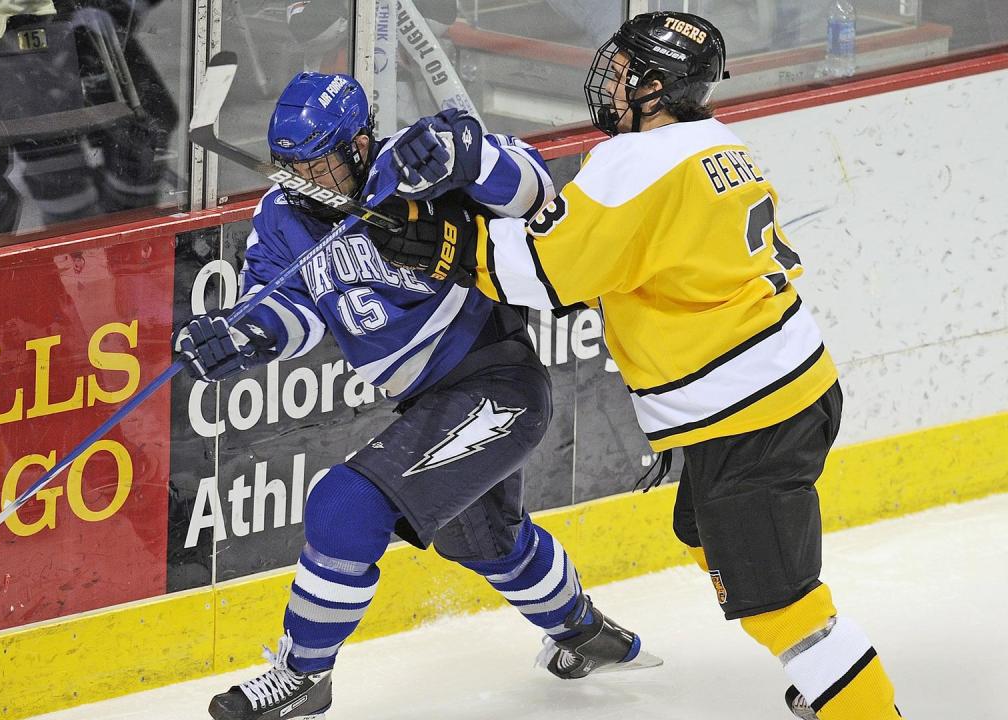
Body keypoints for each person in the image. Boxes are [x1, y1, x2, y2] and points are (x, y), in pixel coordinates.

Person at [367, 11, 904, 720]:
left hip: (752, 415)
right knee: (702, 535)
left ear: (656, 87)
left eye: (623, 74)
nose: (611, 85)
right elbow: (615, 258)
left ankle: (859, 704)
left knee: (787, 611)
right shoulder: (720, 145)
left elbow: (550, 273)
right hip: (793, 383)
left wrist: (443, 244)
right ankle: (836, 683)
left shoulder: (635, 163)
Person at [172, 71, 660, 720]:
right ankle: (584, 632)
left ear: (360, 146)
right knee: (488, 543)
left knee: (344, 506)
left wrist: (474, 154)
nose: (306, 182)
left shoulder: (418, 163)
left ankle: (303, 676)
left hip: (498, 386)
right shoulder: (283, 216)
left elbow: (538, 191)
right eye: (290, 168)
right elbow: (291, 311)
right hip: (433, 405)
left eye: (320, 165)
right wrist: (242, 337)